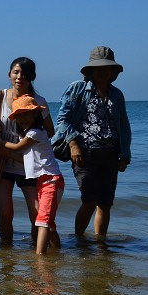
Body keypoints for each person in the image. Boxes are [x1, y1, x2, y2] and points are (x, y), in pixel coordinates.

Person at [54, 46, 132, 240]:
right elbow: (62, 120)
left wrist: (125, 154)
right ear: (90, 70)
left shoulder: (117, 94)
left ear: (113, 72)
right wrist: (73, 144)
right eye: (98, 68)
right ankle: (79, 240)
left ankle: (100, 245)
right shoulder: (77, 89)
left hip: (111, 154)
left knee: (105, 204)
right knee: (89, 200)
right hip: (83, 153)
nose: (102, 71)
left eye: (107, 68)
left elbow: (123, 125)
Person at [0, 57, 55, 244]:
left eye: (25, 75)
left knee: (36, 214)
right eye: (16, 72)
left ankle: (37, 254)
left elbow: (49, 131)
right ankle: (7, 255)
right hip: (2, 164)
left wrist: (30, 138)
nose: (20, 77)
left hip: (28, 166)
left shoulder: (38, 101)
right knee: (5, 213)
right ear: (9, 74)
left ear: (32, 78)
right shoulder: (0, 96)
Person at [3, 96, 65, 254]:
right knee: (48, 223)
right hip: (44, 182)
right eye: (19, 115)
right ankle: (57, 253)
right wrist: (5, 153)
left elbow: (17, 148)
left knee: (42, 221)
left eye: (27, 114)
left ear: (36, 115)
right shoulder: (30, 134)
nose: (23, 118)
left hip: (51, 180)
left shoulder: (36, 132)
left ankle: (40, 258)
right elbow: (23, 158)